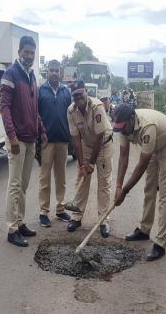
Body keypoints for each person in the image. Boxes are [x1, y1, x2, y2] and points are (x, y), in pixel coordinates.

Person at [113, 105, 166, 261]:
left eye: (123, 127)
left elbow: (142, 165)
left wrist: (124, 191)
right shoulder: (123, 127)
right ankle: (144, 230)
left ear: (132, 119)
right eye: (119, 128)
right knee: (149, 189)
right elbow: (123, 157)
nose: (122, 131)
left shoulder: (147, 126)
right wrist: (118, 186)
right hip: (153, 147)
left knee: (164, 195)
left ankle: (160, 243)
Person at [0, 36, 47, 247]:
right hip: (17, 140)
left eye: (32, 52)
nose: (29, 55)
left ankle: (20, 223)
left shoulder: (32, 76)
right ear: (19, 52)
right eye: (26, 52)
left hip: (30, 139)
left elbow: (34, 108)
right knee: (15, 184)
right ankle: (11, 229)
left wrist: (42, 130)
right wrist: (12, 137)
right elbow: (5, 108)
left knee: (24, 185)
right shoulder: (11, 74)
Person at [65, 80, 114, 238]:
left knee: (104, 183)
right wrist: (82, 165)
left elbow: (100, 137)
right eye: (75, 96)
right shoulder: (71, 111)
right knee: (82, 178)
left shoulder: (97, 106)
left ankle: (103, 220)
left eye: (80, 94)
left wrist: (91, 163)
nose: (78, 98)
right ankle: (76, 216)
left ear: (86, 92)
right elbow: (75, 140)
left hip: (104, 144)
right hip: (86, 145)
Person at [37, 60, 72, 227]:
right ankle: (44, 211)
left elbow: (71, 116)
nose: (53, 73)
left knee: (61, 177)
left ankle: (60, 209)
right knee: (45, 178)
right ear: (47, 72)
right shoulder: (40, 91)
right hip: (46, 142)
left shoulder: (66, 92)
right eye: (51, 70)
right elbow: (36, 115)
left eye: (56, 71)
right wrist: (40, 134)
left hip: (63, 141)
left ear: (61, 73)